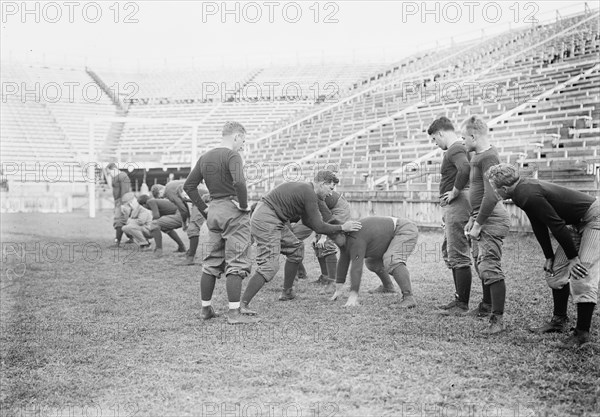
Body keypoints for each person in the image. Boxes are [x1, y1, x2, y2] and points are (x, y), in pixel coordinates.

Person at [487, 163, 599, 348]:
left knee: (581, 272)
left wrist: (573, 258)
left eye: (494, 187)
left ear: (505, 188)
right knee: (555, 273)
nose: (494, 192)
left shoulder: (525, 192)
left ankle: (582, 334)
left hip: (594, 218)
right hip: (576, 223)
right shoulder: (520, 191)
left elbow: (557, 226)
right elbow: (538, 224)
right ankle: (559, 320)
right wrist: (549, 255)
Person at [239, 170, 362, 315]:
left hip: (275, 218)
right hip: (266, 218)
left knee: (296, 249)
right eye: (330, 188)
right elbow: (318, 226)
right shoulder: (308, 192)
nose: (330, 193)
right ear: (322, 184)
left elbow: (325, 219)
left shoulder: (311, 193)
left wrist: (346, 234)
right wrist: (342, 227)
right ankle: (242, 304)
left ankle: (287, 292)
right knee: (269, 266)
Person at [184, 121, 259, 325]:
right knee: (237, 260)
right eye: (243, 139)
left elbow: (188, 186)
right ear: (236, 136)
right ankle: (234, 314)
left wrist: (204, 208)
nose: (243, 144)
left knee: (211, 262)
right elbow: (239, 182)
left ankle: (205, 309)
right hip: (233, 211)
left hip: (214, 212)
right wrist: (243, 205)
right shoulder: (232, 155)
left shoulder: (205, 157)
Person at [462, 116, 511, 334]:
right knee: (480, 263)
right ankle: (486, 305)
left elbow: (492, 195)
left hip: (491, 219)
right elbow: (479, 192)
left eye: (464, 138)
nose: (463, 142)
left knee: (490, 265)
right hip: (480, 217)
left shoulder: (489, 157)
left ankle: (497, 319)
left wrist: (479, 223)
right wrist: (473, 218)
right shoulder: (478, 155)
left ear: (473, 136)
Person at [427, 117, 473, 315]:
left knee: (458, 252)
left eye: (434, 139)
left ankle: (462, 304)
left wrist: (454, 192)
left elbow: (465, 168)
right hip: (456, 205)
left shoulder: (454, 148)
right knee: (453, 251)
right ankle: (458, 299)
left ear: (440, 133)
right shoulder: (459, 147)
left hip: (459, 202)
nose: (435, 144)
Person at [328, 216, 419, 308]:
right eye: (331, 238)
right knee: (372, 263)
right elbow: (343, 261)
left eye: (334, 238)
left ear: (343, 233)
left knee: (392, 260)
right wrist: (338, 289)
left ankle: (409, 298)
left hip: (404, 230)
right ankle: (388, 287)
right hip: (392, 232)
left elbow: (356, 268)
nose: (333, 241)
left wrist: (353, 296)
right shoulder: (346, 238)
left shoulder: (355, 238)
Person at [293, 187, 352, 286]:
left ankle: (333, 281)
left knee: (325, 243)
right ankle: (325, 277)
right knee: (317, 243)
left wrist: (323, 236)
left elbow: (327, 217)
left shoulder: (313, 196)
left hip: (338, 209)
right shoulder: (299, 197)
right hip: (324, 210)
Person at [162, 181, 208, 265]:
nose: (184, 199)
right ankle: (191, 253)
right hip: (201, 202)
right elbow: (187, 206)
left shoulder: (184, 192)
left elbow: (184, 208)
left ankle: (190, 258)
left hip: (203, 201)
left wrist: (185, 222)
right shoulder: (186, 192)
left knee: (193, 228)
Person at [138, 193, 187, 257]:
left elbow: (156, 216)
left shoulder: (150, 201)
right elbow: (161, 217)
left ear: (143, 205)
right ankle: (181, 247)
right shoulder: (157, 203)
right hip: (182, 213)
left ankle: (158, 250)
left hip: (180, 213)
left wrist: (150, 228)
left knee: (154, 224)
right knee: (166, 228)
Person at [105, 163, 132, 247]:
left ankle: (117, 241)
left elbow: (125, 190)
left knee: (119, 221)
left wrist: (123, 204)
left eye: (110, 173)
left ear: (114, 169)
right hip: (119, 201)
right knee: (124, 221)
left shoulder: (122, 176)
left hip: (122, 201)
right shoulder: (118, 177)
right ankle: (131, 238)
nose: (110, 175)